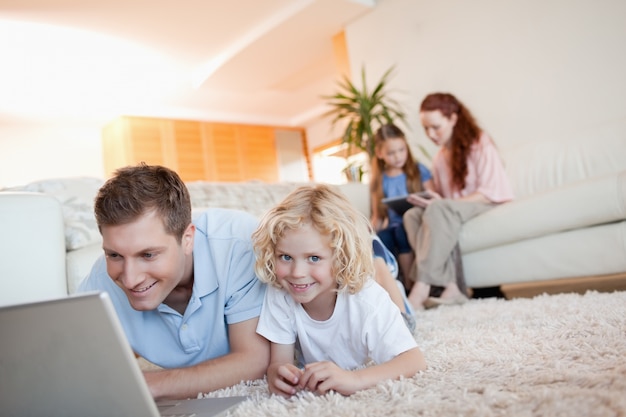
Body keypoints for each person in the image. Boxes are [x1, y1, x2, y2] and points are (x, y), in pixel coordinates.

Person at [78, 163, 269, 400]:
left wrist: (154, 385)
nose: (130, 279)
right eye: (114, 255)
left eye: (148, 255)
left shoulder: (239, 244)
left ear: (188, 238)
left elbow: (254, 360)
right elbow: (77, 365)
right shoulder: (100, 282)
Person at [252, 184, 426, 397]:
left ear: (341, 257)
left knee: (405, 320)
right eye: (285, 257)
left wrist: (354, 379)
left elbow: (414, 361)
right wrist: (278, 374)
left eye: (314, 258)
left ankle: (379, 260)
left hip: (384, 301)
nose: (297, 273)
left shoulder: (368, 299)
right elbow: (280, 362)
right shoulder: (281, 291)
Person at [403, 92, 514, 310]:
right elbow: (446, 203)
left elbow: (489, 190)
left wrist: (445, 204)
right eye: (426, 128)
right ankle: (451, 286)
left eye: (435, 127)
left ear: (453, 119)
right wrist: (435, 198)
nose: (430, 134)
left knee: (439, 208)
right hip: (455, 209)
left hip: (487, 201)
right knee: (411, 215)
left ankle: (421, 287)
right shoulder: (439, 158)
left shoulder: (479, 142)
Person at [370, 123, 433, 290]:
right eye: (391, 153)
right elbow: (378, 216)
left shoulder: (418, 170)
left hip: (414, 221)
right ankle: (391, 287)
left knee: (401, 233)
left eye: (401, 150)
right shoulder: (379, 180)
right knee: (383, 238)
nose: (398, 156)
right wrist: (368, 232)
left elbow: (433, 197)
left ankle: (410, 286)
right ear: (380, 153)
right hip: (392, 225)